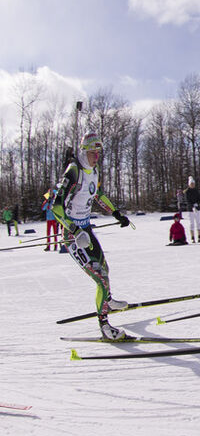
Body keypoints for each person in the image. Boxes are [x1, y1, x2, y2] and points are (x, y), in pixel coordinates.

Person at [51, 131, 132, 341]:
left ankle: (108, 300)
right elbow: (56, 206)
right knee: (100, 279)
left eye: (99, 151)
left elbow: (98, 195)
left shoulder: (94, 171)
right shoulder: (74, 171)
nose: (97, 155)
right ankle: (105, 327)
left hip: (86, 228)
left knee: (105, 269)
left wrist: (115, 213)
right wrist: (75, 231)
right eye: (93, 151)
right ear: (84, 150)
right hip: (72, 234)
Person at [184, 176, 200, 243]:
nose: (192, 185)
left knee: (198, 222)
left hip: (196, 208)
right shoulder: (187, 191)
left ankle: (199, 236)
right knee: (191, 223)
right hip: (190, 209)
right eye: (191, 184)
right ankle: (192, 237)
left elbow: (199, 199)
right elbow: (187, 200)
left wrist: (197, 204)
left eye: (193, 184)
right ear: (189, 184)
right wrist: (192, 206)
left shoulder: (196, 191)